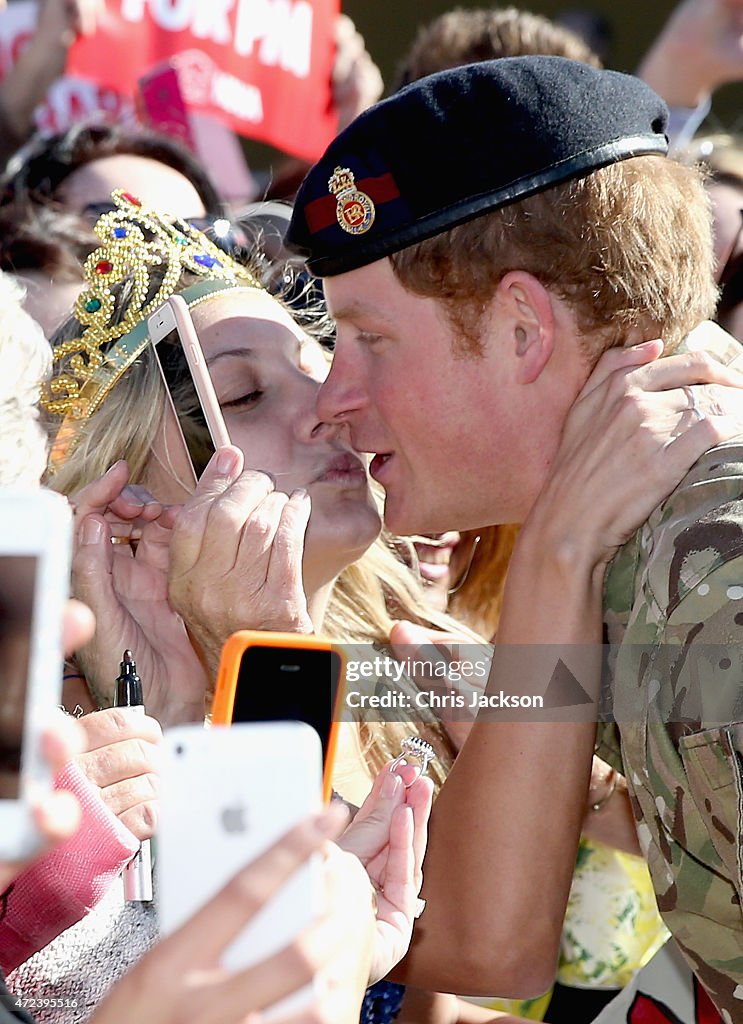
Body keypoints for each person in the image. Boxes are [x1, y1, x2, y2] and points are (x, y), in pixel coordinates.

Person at [287, 56, 743, 1017]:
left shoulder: (714, 573)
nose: (333, 399)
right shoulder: (658, 546)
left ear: (521, 330)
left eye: (370, 339)